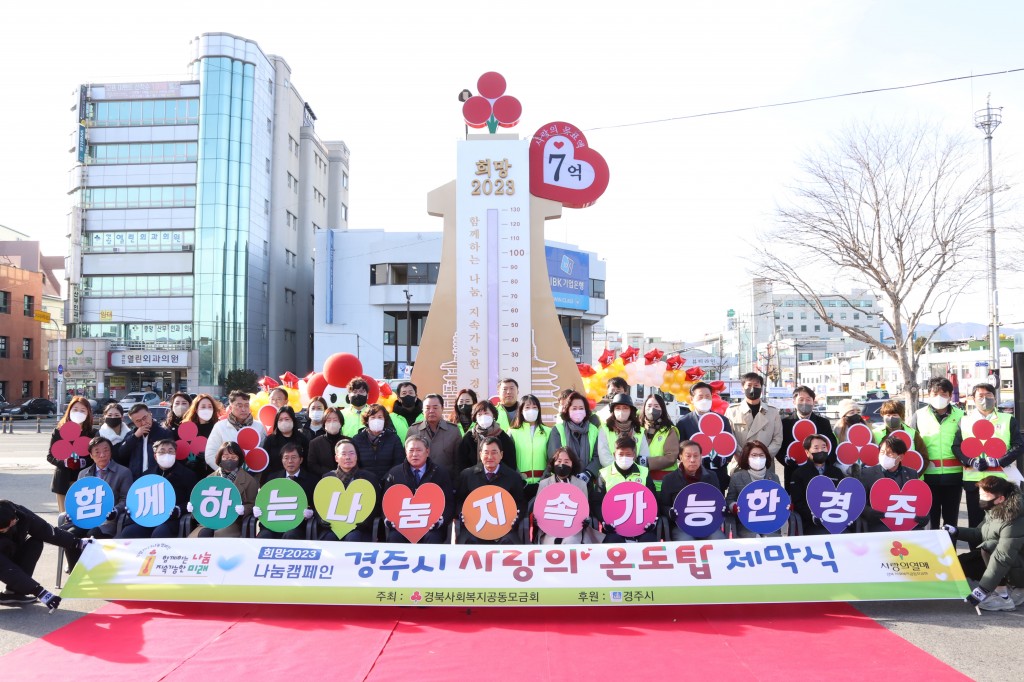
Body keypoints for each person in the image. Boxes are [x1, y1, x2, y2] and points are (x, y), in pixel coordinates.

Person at [946, 476, 1024, 612]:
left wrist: (982, 590)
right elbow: (980, 532)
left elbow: (1002, 557)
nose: (980, 498)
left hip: (1014, 562)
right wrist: (956, 531)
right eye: (980, 494)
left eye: (984, 495)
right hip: (1012, 561)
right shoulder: (995, 509)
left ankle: (1003, 596)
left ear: (1000, 498)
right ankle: (1008, 587)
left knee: (989, 547)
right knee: (961, 564)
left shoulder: (1014, 519)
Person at [953, 383, 1024, 527]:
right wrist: (971, 461)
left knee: (1003, 523)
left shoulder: (1008, 419)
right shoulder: (964, 421)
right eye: (980, 396)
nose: (985, 399)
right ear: (973, 399)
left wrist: (999, 461)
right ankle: (978, 550)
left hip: (1002, 482)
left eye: (989, 395)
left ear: (995, 398)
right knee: (976, 524)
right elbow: (956, 447)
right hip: (974, 481)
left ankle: (1000, 550)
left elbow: (1019, 445)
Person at [0, 500, 86, 610]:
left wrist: (77, 542)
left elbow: (44, 529)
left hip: (6, 549)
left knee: (35, 542)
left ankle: (13, 592)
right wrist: (39, 592)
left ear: (13, 518)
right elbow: (6, 568)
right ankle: (19, 588)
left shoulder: (18, 512)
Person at [910, 377, 965, 530]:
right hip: (928, 477)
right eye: (935, 393)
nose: (939, 397)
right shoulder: (919, 415)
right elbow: (912, 444)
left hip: (954, 476)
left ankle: (950, 553)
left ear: (950, 395)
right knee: (930, 521)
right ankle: (933, 554)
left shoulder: (962, 415)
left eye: (943, 393)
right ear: (928, 395)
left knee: (951, 521)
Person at [382, 434, 455, 544]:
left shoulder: (440, 473)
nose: (414, 454)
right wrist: (388, 519)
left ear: (427, 451)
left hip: (431, 526)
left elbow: (449, 502)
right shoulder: (394, 473)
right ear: (406, 452)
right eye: (411, 450)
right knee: (394, 537)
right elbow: (386, 502)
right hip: (403, 524)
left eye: (419, 450)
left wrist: (441, 520)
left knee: (433, 537)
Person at [119, 438, 197, 539]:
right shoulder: (147, 475)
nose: (166, 454)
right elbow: (138, 497)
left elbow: (193, 500)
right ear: (155, 456)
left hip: (172, 519)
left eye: (170, 451)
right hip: (148, 517)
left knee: (160, 533)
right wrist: (131, 509)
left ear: (175, 454)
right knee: (129, 532)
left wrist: (179, 509)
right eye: (162, 452)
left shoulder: (187, 474)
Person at [456, 436, 526, 544]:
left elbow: (520, 502)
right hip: (474, 526)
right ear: (480, 454)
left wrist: (517, 515)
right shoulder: (467, 475)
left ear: (501, 455)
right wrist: (462, 513)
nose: (490, 457)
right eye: (486, 452)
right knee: (467, 542)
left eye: (494, 452)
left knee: (510, 543)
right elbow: (459, 500)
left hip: (504, 527)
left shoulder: (513, 477)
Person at [64, 436, 132, 540]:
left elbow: (126, 499)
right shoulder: (83, 474)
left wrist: (115, 510)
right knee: (69, 536)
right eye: (97, 452)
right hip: (85, 518)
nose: (102, 455)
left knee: (93, 534)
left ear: (111, 452)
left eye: (106, 451)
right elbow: (76, 500)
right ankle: (77, 557)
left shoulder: (123, 472)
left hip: (107, 521)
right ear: (91, 455)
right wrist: (72, 513)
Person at [858, 435, 929, 533]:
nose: (885, 456)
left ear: (901, 457)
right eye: (882, 452)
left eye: (890, 453)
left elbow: (919, 502)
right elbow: (858, 503)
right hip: (879, 524)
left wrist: (923, 516)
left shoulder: (911, 474)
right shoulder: (867, 474)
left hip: (906, 524)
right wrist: (869, 512)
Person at [676, 381, 736, 492]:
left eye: (708, 397)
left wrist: (722, 459)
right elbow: (679, 450)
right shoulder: (683, 422)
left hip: (718, 475)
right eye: (700, 397)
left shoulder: (723, 420)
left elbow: (730, 445)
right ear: (691, 399)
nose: (704, 400)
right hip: (692, 476)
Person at [317, 438, 381, 542]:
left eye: (351, 453)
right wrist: (321, 519)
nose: (348, 457)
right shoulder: (327, 478)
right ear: (336, 458)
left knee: (353, 538)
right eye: (343, 454)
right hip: (333, 526)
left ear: (356, 456)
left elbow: (376, 506)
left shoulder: (369, 478)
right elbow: (320, 504)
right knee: (329, 539)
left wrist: (365, 521)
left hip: (359, 528)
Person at [778, 386, 838, 493]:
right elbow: (779, 447)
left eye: (808, 399)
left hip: (819, 472)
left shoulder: (823, 423)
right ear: (794, 402)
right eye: (801, 399)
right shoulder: (785, 424)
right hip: (793, 472)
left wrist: (824, 463)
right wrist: (786, 460)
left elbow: (831, 446)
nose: (805, 402)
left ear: (813, 402)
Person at [660, 440, 723, 541]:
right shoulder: (670, 479)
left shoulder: (711, 476)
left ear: (701, 457)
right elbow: (663, 505)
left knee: (718, 539)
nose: (692, 460)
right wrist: (669, 512)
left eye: (696, 456)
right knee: (686, 541)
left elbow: (719, 501)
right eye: (688, 456)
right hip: (682, 527)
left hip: (708, 524)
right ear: (681, 457)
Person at [190, 442, 257, 538]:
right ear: (219, 458)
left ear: (239, 459)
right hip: (209, 520)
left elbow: (252, 504)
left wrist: (244, 510)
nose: (229, 459)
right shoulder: (210, 478)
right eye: (225, 456)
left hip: (232, 523)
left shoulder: (249, 480)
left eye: (234, 457)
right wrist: (194, 507)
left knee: (219, 536)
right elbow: (202, 501)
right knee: (203, 534)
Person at [597, 436, 657, 542]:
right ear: (614, 455)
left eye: (628, 454)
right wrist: (604, 521)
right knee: (613, 541)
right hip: (614, 527)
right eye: (620, 454)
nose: (624, 457)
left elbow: (653, 499)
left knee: (649, 540)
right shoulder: (604, 474)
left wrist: (651, 520)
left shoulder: (644, 472)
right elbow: (596, 502)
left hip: (641, 525)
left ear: (634, 455)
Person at [255, 443, 318, 540]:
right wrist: (258, 509)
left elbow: (316, 506)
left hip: (297, 526)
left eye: (294, 457)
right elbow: (264, 501)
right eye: (286, 458)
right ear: (282, 460)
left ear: (301, 460)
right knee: (263, 536)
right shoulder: (272, 478)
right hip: (273, 524)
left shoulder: (311, 480)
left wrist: (311, 512)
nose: (290, 461)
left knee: (290, 535)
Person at [47, 397, 96, 514]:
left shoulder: (92, 433)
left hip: (83, 479)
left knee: (80, 515)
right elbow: (50, 456)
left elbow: (96, 457)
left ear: (88, 413)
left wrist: (82, 462)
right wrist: (64, 462)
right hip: (62, 479)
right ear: (69, 411)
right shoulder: (58, 431)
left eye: (83, 410)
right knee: (64, 516)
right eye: (75, 409)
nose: (78, 413)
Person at [791, 434, 846, 535]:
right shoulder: (799, 474)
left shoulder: (836, 472)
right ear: (807, 452)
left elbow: (843, 496)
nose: (821, 450)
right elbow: (798, 502)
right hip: (812, 523)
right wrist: (813, 516)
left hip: (836, 519)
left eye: (824, 447)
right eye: (816, 448)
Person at [535, 447, 591, 545]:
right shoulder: (544, 484)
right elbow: (538, 509)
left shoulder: (581, 485)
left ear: (572, 464)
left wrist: (585, 520)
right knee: (551, 544)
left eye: (566, 461)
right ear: (553, 463)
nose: (562, 464)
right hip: (549, 529)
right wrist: (537, 519)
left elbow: (585, 510)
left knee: (571, 541)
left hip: (573, 530)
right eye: (559, 461)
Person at [727, 440, 782, 538]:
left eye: (761, 455)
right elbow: (730, 499)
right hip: (746, 524)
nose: (758, 458)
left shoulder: (774, 477)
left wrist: (786, 506)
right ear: (747, 458)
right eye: (754, 455)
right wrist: (734, 506)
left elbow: (780, 500)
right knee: (754, 538)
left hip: (769, 523)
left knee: (770, 538)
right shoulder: (737, 477)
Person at [726, 372, 783, 462]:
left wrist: (762, 456)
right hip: (740, 461)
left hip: (765, 462)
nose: (753, 388)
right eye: (749, 385)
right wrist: (744, 456)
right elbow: (729, 438)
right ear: (742, 388)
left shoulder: (773, 412)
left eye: (756, 385)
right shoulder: (732, 411)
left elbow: (777, 439)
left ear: (761, 388)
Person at [204, 390, 267, 471]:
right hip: (226, 478)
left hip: (253, 476)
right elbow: (210, 454)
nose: (243, 409)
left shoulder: (259, 427)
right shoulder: (220, 426)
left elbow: (263, 453)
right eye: (239, 406)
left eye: (246, 405)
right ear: (230, 407)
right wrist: (225, 471)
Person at [547, 391, 602, 482]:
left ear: (586, 411)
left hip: (588, 482)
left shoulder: (594, 429)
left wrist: (588, 473)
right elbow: (554, 457)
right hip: (563, 481)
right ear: (567, 410)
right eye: (574, 408)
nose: (578, 411)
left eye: (581, 408)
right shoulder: (558, 429)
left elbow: (597, 455)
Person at [408, 393, 462, 483]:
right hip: (419, 482)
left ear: (442, 409)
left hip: (446, 482)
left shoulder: (453, 431)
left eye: (435, 407)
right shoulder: (413, 430)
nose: (431, 411)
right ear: (422, 410)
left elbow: (459, 462)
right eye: (428, 408)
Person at [115, 403, 174, 480]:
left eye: (145, 418)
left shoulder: (164, 433)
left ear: (150, 414)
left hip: (158, 477)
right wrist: (135, 437)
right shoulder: (131, 435)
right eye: (138, 421)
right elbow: (122, 454)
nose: (143, 423)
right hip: (136, 478)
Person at [508, 394, 549, 501]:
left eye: (534, 407)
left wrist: (543, 480)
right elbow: (510, 460)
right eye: (527, 407)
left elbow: (552, 458)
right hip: (519, 484)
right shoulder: (513, 432)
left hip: (544, 484)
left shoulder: (548, 432)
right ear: (521, 410)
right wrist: (519, 480)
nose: (531, 410)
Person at [457, 401, 516, 473]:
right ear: (475, 417)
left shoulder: (502, 436)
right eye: (479, 414)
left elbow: (510, 462)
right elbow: (461, 462)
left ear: (493, 415)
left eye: (486, 413)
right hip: (473, 479)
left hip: (499, 479)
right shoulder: (469, 437)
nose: (483, 417)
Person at [637, 394, 680, 493]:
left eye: (656, 406)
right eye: (649, 406)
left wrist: (645, 462)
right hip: (640, 482)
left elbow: (671, 457)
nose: (652, 409)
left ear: (662, 409)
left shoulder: (669, 430)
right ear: (644, 408)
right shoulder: (637, 429)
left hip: (663, 485)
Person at [352, 404, 404, 481]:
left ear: (385, 420)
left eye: (380, 417)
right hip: (364, 484)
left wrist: (387, 479)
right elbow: (355, 464)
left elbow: (398, 463)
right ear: (367, 420)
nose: (376, 420)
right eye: (373, 417)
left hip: (388, 483)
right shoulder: (357, 439)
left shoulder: (394, 439)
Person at [260, 406, 309, 484]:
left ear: (293, 420)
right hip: (275, 481)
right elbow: (266, 465)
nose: (284, 422)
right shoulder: (270, 440)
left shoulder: (302, 439)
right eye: (280, 420)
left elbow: (306, 463)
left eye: (287, 419)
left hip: (298, 481)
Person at [179, 393, 222, 478]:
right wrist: (189, 462)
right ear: (196, 409)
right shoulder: (187, 429)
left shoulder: (219, 428)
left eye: (210, 406)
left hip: (214, 475)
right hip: (193, 476)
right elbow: (181, 451)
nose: (207, 409)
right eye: (203, 406)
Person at [306, 407, 346, 478]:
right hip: (323, 481)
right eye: (329, 420)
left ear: (341, 423)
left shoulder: (348, 442)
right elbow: (312, 465)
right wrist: (331, 473)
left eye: (335, 420)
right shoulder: (315, 443)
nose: (332, 423)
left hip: (346, 479)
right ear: (324, 423)